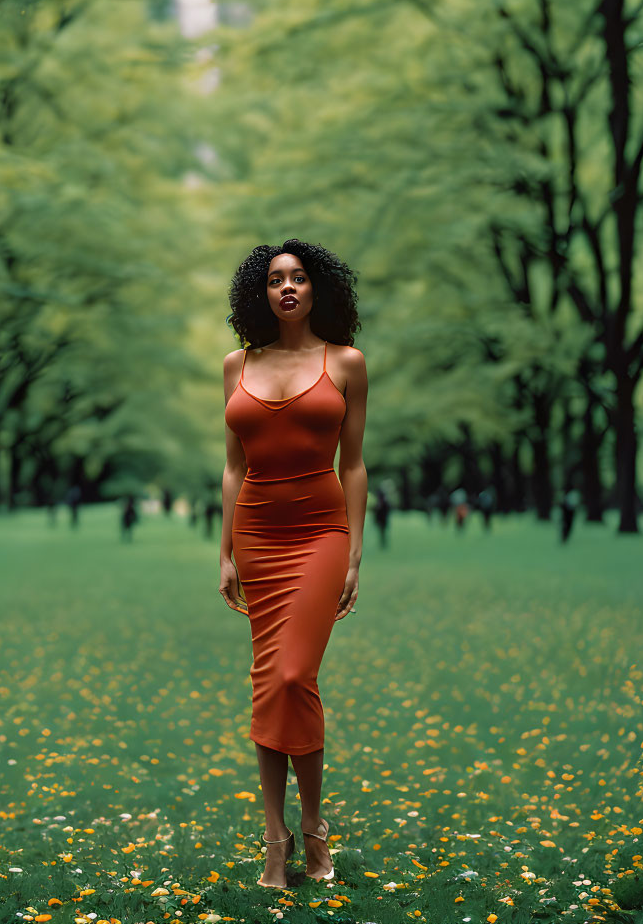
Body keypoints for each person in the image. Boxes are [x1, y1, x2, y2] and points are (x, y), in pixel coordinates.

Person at [220, 239, 367, 890]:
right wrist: (223, 550)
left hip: (320, 532)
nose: (287, 287)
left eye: (298, 278)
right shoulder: (235, 365)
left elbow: (354, 462)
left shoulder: (346, 362)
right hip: (256, 534)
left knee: (293, 672)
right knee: (270, 682)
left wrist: (355, 552)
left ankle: (312, 827)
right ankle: (279, 840)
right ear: (261, 293)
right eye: (276, 279)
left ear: (317, 289)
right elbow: (232, 466)